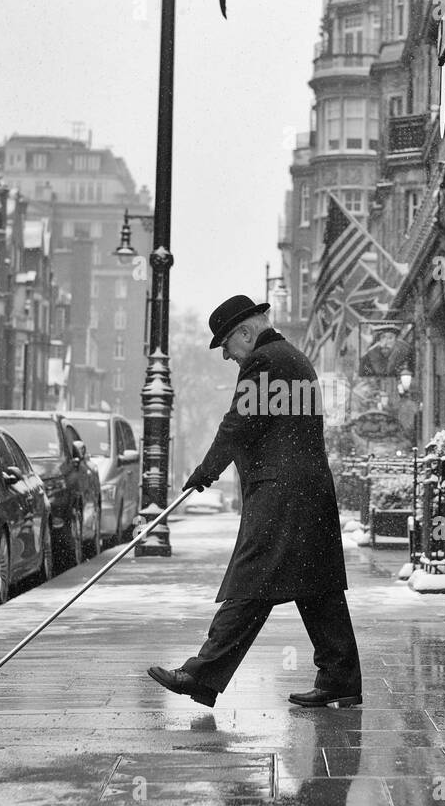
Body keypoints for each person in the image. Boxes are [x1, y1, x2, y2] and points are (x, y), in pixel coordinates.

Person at [148, 294, 362, 709]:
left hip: (281, 493)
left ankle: (202, 673)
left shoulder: (264, 362)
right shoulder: (294, 359)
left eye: (227, 344)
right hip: (308, 490)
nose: (227, 355)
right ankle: (341, 676)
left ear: (246, 332)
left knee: (251, 582)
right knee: (317, 585)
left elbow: (238, 423)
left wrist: (205, 471)